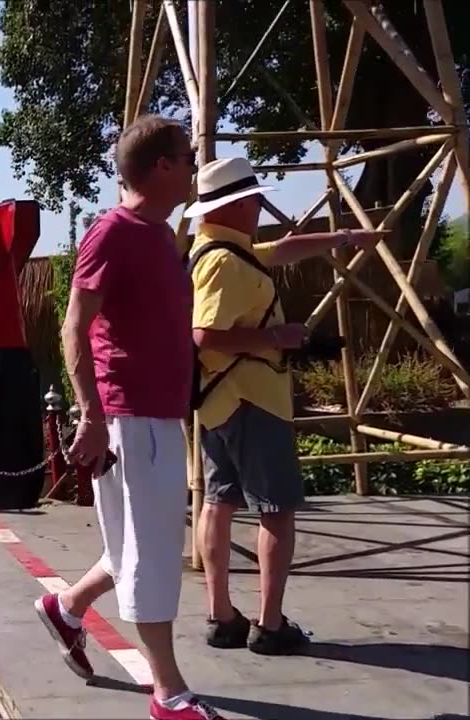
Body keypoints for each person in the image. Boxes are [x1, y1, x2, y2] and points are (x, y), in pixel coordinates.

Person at [38, 114, 221, 720]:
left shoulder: (159, 234)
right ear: (163, 166)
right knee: (153, 552)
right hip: (128, 417)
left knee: (135, 544)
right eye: (187, 156)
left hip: (155, 415)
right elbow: (74, 326)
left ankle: (65, 608)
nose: (194, 165)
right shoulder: (113, 231)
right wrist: (90, 415)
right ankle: (168, 693)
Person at [185, 157, 380, 655]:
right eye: (253, 200)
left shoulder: (219, 248)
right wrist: (277, 335)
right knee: (276, 511)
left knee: (218, 502)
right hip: (253, 398)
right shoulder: (225, 262)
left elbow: (282, 250)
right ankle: (270, 626)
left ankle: (222, 616)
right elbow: (205, 334)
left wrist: (341, 240)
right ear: (235, 204)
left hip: (217, 403)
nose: (259, 208)